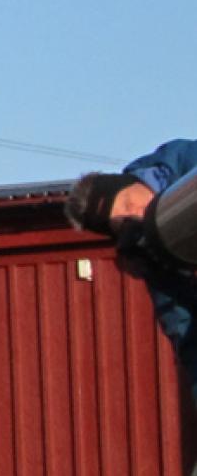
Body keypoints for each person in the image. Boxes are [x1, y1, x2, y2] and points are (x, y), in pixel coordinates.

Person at [68, 141, 197, 386]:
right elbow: (186, 332)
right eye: (122, 223)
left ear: (134, 183)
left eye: (128, 203)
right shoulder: (155, 252)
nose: (138, 213)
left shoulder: (182, 161)